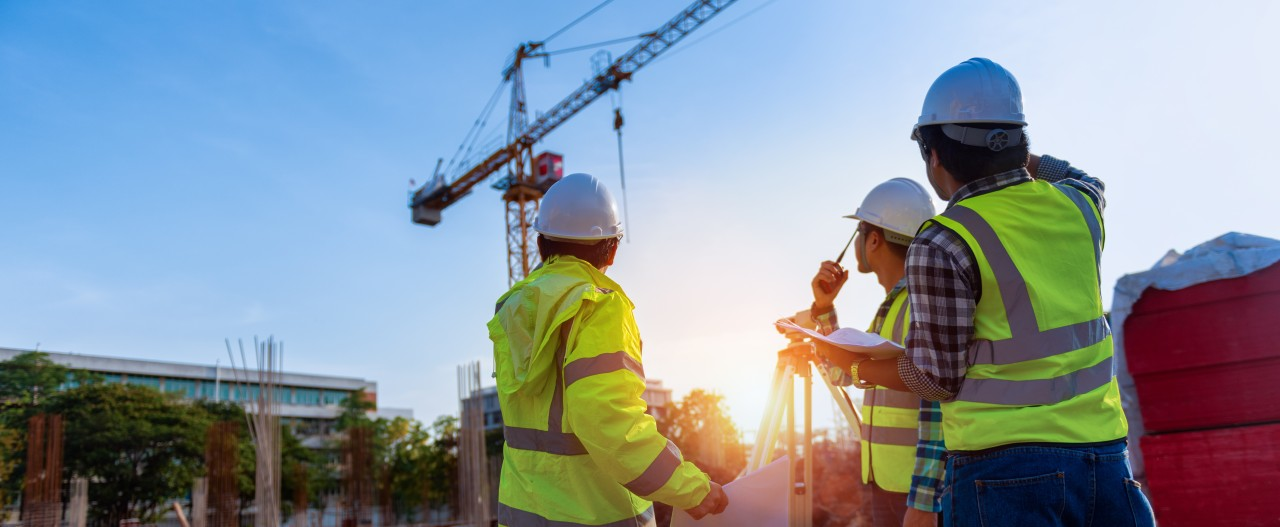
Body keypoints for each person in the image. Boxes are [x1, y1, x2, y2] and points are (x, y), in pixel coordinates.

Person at [816, 58, 1155, 526]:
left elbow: (936, 380)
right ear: (1018, 140)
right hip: (1105, 463)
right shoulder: (1079, 206)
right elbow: (1088, 179)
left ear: (934, 156)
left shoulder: (944, 239)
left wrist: (854, 365)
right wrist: (1015, 155)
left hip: (1003, 475)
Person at [488, 173, 729, 526]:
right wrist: (692, 489)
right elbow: (610, 423)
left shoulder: (512, 308)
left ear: (540, 245)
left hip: (521, 515)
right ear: (612, 250)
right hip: (596, 515)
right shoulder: (599, 306)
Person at [808, 178, 944, 527]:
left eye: (859, 233)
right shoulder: (893, 306)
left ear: (873, 239)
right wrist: (824, 308)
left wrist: (925, 500)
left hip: (915, 493)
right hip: (886, 482)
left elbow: (937, 407)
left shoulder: (917, 304)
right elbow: (845, 372)